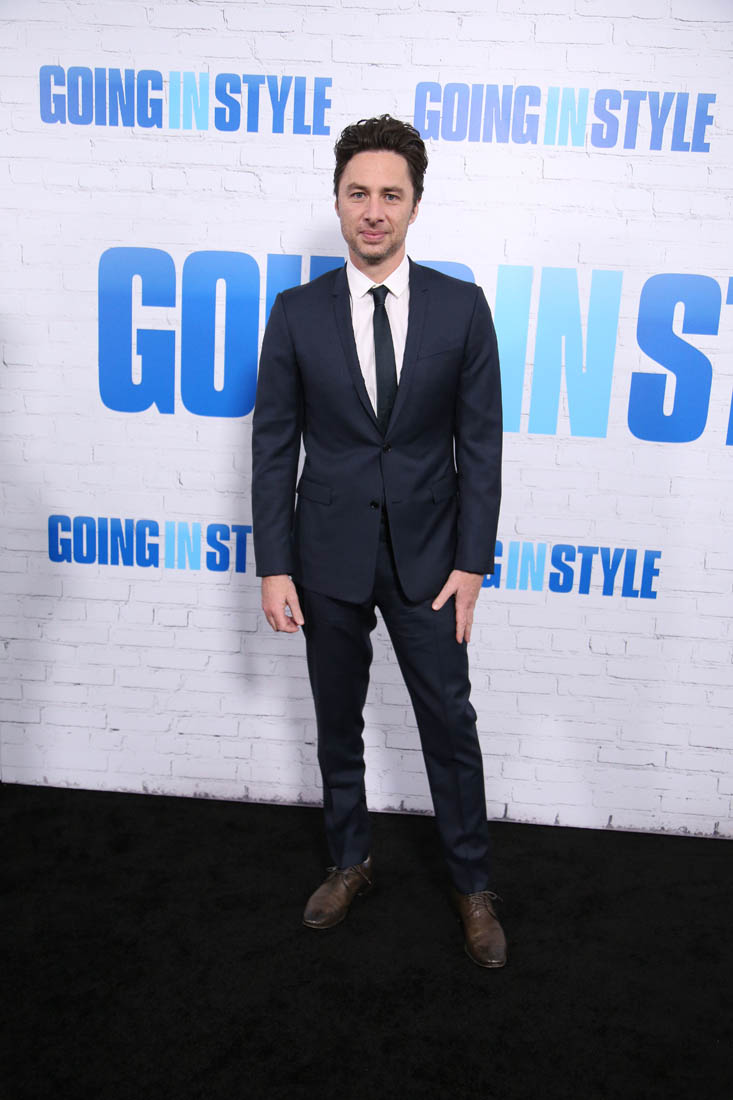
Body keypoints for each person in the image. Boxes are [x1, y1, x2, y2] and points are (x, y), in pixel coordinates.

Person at [251, 115, 505, 968]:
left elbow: (480, 445)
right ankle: (349, 861)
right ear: (336, 201)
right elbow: (273, 445)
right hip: (324, 556)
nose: (372, 210)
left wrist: (471, 562)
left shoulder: (462, 308)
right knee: (337, 720)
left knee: (449, 723)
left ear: (414, 206)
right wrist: (275, 566)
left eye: (389, 195)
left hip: (431, 562)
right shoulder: (295, 313)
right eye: (357, 192)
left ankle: (472, 884)